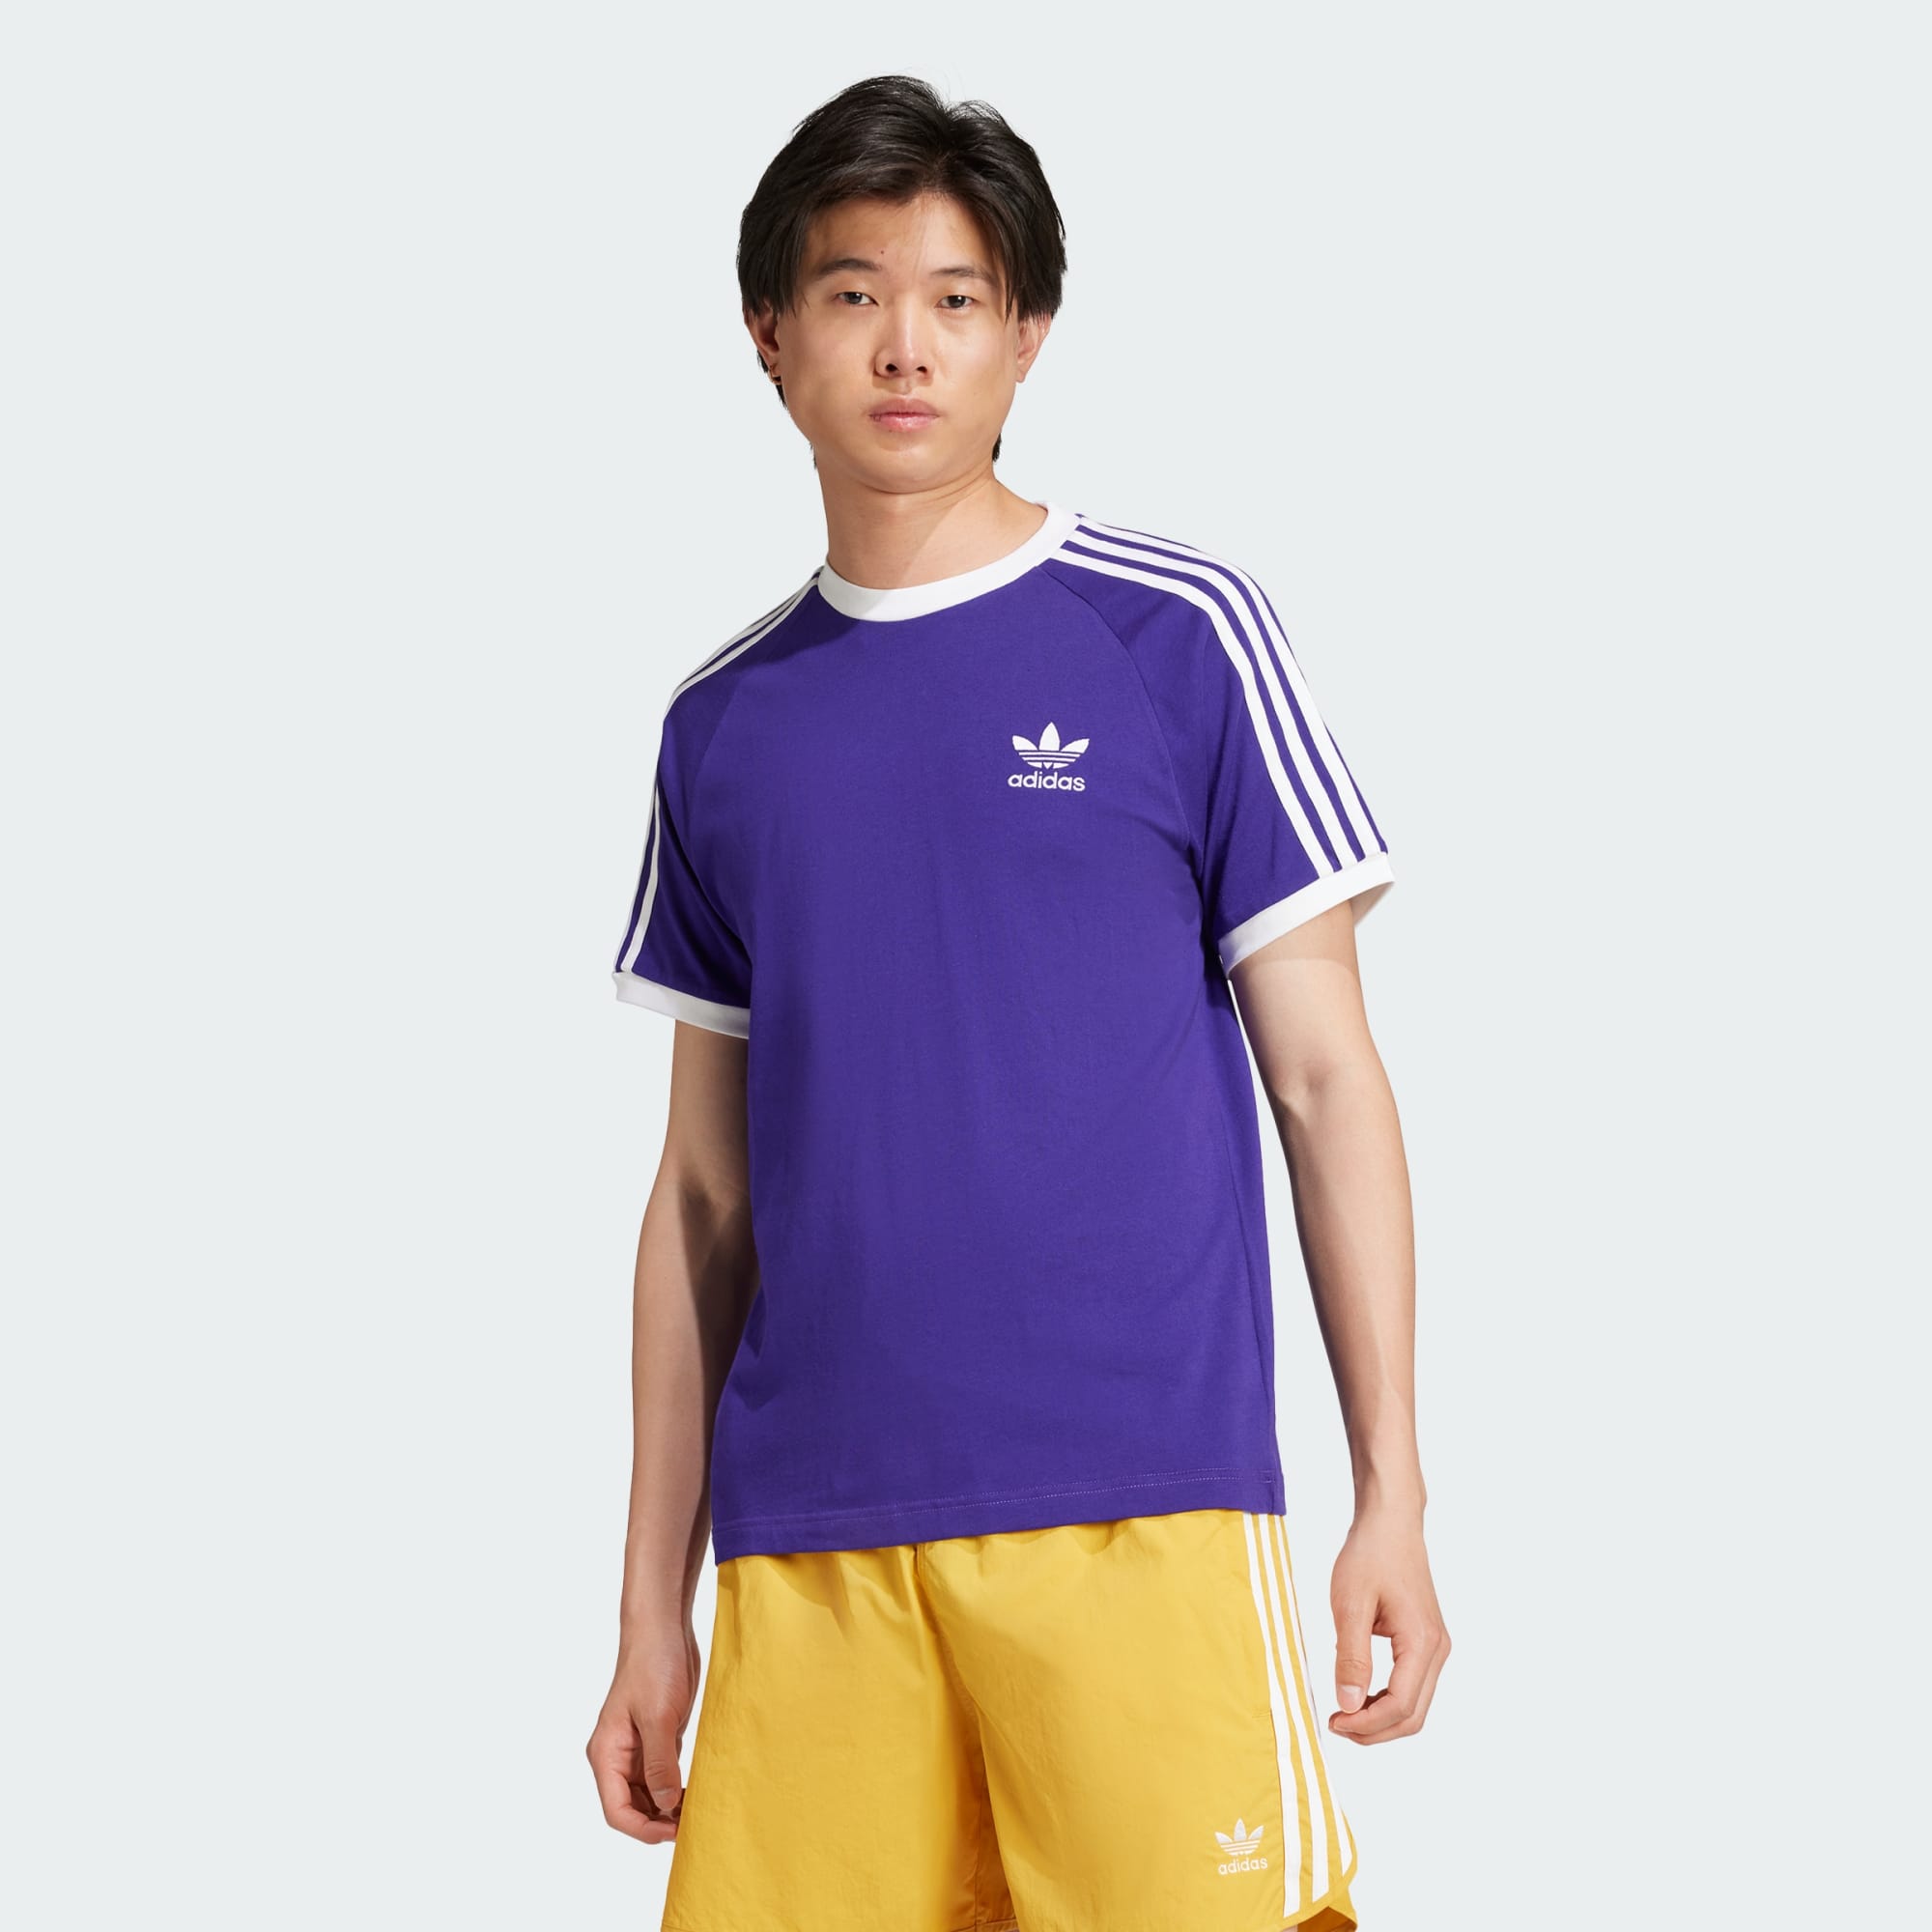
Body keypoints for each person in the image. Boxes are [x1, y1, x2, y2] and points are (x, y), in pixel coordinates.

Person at [586, 72, 1448, 1932]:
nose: (905, 344)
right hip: (813, 1542)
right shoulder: (723, 724)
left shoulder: (1176, 635)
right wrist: (651, 1604)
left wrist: (1393, 1488)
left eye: (956, 296)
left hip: (1139, 1499)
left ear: (1026, 332)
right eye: (852, 292)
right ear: (769, 334)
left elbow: (1326, 1082)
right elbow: (704, 1199)